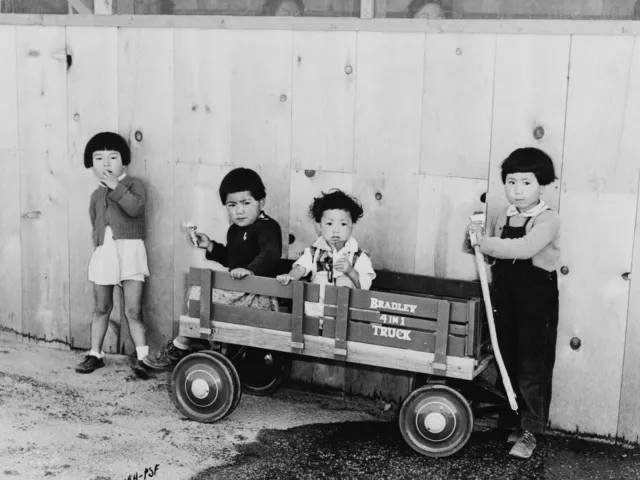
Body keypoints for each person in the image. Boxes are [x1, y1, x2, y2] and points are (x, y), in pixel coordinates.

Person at [467, 147, 560, 459]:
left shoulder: (547, 219)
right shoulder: (503, 216)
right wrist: (474, 239)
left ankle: (532, 431)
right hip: (505, 298)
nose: (517, 190)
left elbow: (523, 248)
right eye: (511, 182)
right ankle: (513, 422)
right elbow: (490, 251)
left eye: (526, 182)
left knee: (532, 365)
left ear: (542, 185)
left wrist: (486, 242)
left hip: (536, 304)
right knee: (505, 357)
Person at [143, 167, 282, 370]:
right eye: (232, 205)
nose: (239, 211)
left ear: (262, 202)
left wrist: (250, 271)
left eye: (246, 203)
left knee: (202, 292)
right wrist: (210, 246)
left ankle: (182, 345)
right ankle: (196, 340)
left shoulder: (267, 227)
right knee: (201, 289)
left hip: (259, 296)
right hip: (241, 294)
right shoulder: (234, 230)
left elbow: (270, 253)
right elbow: (231, 259)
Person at [75, 132, 151, 377]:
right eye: (99, 158)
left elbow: (135, 208)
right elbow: (96, 222)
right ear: (92, 164)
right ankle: (95, 354)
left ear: (124, 162)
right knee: (101, 307)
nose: (106, 163)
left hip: (130, 252)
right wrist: (101, 247)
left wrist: (116, 187)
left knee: (133, 310)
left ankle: (143, 359)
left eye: (112, 157)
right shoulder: (95, 195)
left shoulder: (133, 184)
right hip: (106, 253)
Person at [277, 189, 376, 315]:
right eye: (329, 223)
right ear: (319, 225)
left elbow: (364, 287)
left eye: (343, 224)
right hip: (315, 316)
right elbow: (299, 269)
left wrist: (351, 271)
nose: (336, 230)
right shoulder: (314, 253)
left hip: (344, 321)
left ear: (353, 225)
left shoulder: (359, 256)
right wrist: (289, 277)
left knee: (344, 281)